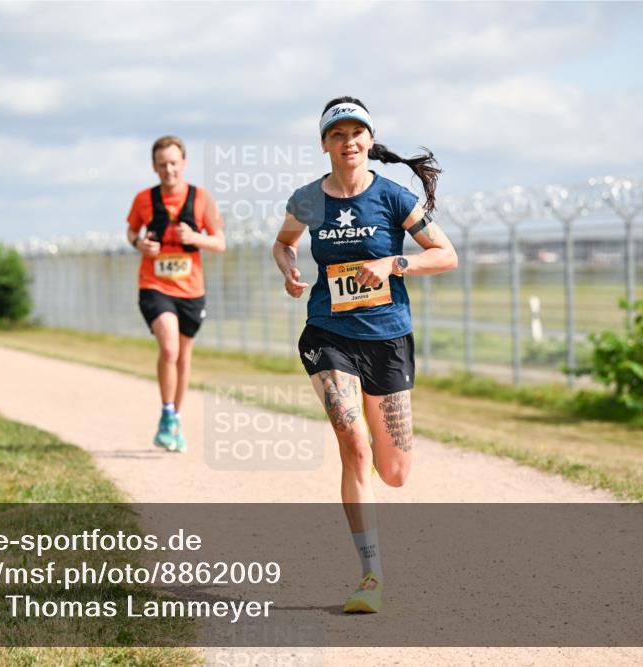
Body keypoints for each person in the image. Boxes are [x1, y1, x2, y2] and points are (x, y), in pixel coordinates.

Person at [272, 96, 457, 613]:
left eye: (357, 133)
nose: (348, 142)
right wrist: (288, 269)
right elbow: (283, 242)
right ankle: (370, 575)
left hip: (388, 338)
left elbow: (446, 255)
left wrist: (393, 262)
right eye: (337, 134)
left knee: (395, 471)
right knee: (352, 442)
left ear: (369, 141)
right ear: (325, 144)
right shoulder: (308, 199)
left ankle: (374, 468)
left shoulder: (395, 198)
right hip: (328, 332)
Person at [126, 135, 226, 452]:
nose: (168, 169)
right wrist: (139, 243)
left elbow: (220, 242)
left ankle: (175, 419)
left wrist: (196, 237)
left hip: (191, 290)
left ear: (183, 163)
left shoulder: (202, 199)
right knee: (168, 349)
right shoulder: (143, 199)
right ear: (154, 167)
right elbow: (131, 231)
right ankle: (167, 412)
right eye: (162, 164)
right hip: (154, 285)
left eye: (173, 163)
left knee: (183, 358)